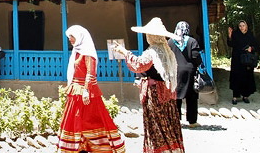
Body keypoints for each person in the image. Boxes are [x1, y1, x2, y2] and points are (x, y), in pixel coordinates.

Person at [113, 17, 185, 153]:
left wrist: (124, 52)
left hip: (156, 95)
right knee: (169, 122)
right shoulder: (168, 52)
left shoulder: (152, 52)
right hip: (168, 93)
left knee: (157, 125)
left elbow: (138, 65)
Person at [57, 25, 125, 153]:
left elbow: (91, 72)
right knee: (76, 120)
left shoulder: (88, 53)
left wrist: (87, 90)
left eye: (72, 36)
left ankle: (98, 146)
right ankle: (79, 146)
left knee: (91, 120)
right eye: (69, 37)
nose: (70, 39)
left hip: (86, 92)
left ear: (79, 37)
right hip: (76, 91)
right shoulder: (76, 52)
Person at [167, 21, 202, 127]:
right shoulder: (192, 41)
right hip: (189, 73)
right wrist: (198, 64)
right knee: (191, 97)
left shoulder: (171, 42)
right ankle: (192, 121)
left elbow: (167, 57)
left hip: (175, 72)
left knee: (176, 96)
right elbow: (196, 57)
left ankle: (175, 121)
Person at [228, 20, 259, 104]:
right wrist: (230, 36)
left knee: (247, 77)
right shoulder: (236, 34)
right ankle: (235, 97)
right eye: (240, 26)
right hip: (237, 60)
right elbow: (230, 44)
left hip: (247, 60)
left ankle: (245, 96)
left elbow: (256, 46)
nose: (241, 27)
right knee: (236, 77)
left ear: (246, 26)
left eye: (243, 25)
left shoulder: (250, 35)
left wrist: (251, 48)